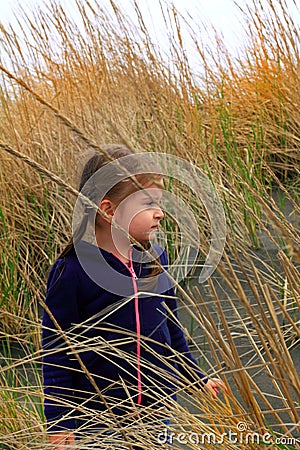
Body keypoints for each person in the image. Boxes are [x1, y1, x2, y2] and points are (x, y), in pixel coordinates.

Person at [42, 145, 225, 448]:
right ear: (108, 210)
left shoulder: (156, 260)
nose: (160, 213)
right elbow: (58, 354)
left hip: (158, 410)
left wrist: (196, 378)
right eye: (148, 203)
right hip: (99, 419)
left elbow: (172, 330)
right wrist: (61, 424)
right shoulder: (72, 272)